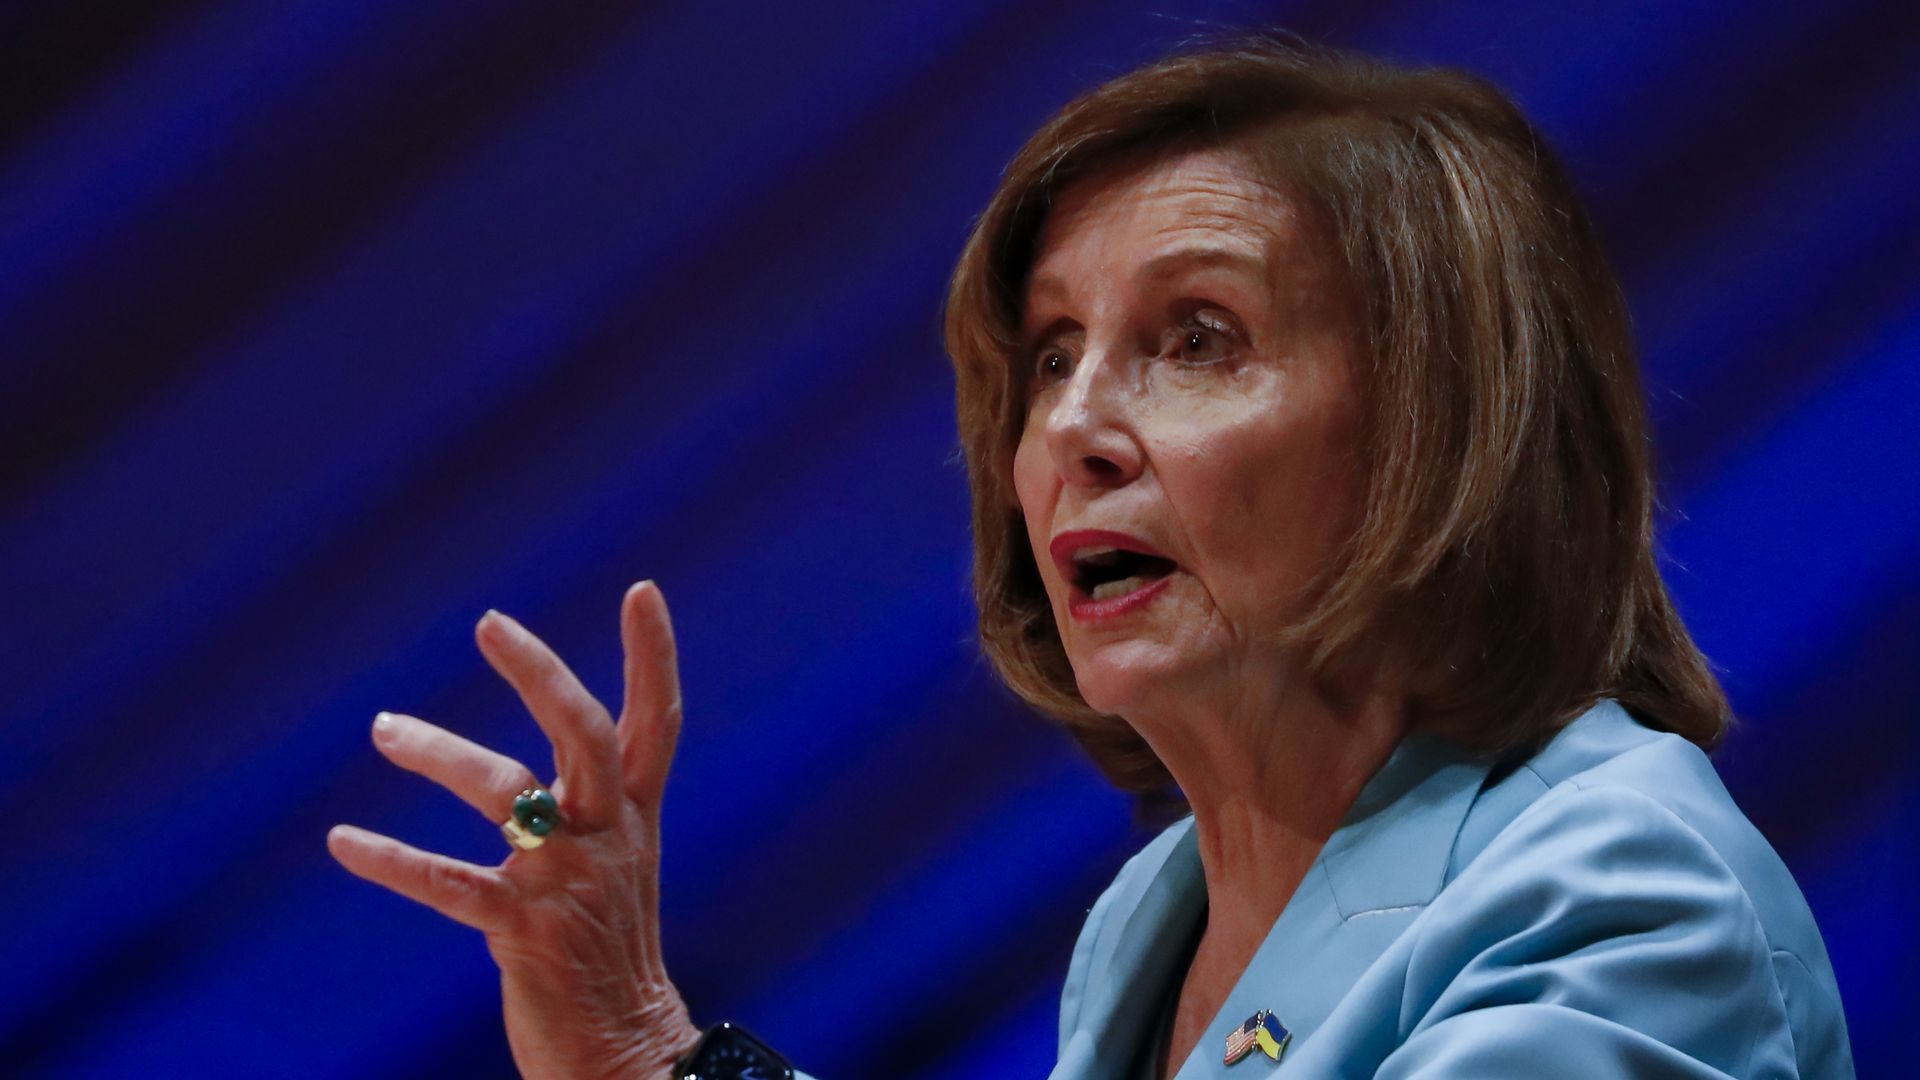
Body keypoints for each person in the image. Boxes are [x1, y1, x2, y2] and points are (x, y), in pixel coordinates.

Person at [327, 38, 1854, 1079]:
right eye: (1053, 355)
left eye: (1198, 340)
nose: (1073, 429)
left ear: (1444, 425)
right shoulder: (1157, 917)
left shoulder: (1626, 893)